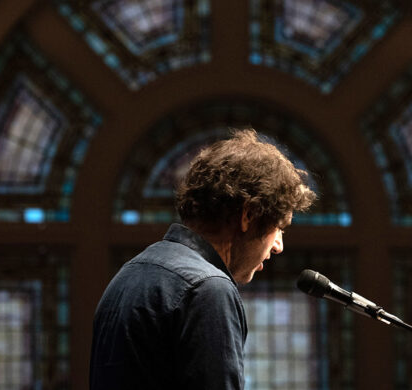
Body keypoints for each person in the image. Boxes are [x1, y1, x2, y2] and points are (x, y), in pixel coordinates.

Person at [89, 128, 316, 389]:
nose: (279, 246)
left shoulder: (128, 274)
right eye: (279, 228)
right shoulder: (208, 289)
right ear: (249, 215)